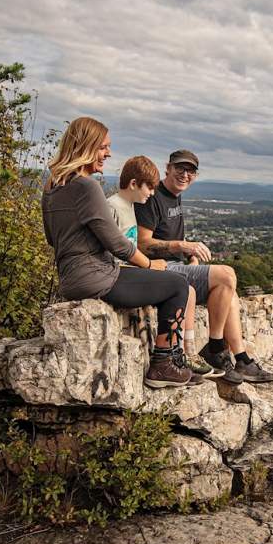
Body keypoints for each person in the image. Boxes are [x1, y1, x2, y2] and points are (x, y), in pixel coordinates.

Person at [42, 116, 198, 390]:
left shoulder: (51, 188)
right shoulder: (86, 186)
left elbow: (51, 238)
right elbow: (117, 243)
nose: (108, 153)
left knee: (163, 282)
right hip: (97, 277)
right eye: (103, 147)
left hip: (71, 278)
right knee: (176, 285)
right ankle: (164, 364)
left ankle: (171, 360)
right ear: (86, 146)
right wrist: (149, 264)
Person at [135, 149, 273, 385]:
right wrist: (181, 245)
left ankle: (241, 359)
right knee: (227, 274)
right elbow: (142, 243)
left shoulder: (174, 196)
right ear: (167, 168)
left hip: (176, 267)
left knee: (228, 290)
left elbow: (169, 241)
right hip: (157, 271)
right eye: (180, 168)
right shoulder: (153, 197)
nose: (184, 174)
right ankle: (214, 348)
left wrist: (187, 257)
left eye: (190, 171)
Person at [106, 155, 221, 379]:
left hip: (133, 270)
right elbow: (114, 248)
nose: (151, 193)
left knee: (186, 289)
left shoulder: (129, 206)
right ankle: (167, 358)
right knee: (180, 285)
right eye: (149, 187)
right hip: (121, 274)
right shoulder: (113, 206)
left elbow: (130, 245)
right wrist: (149, 264)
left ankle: (179, 354)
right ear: (133, 184)